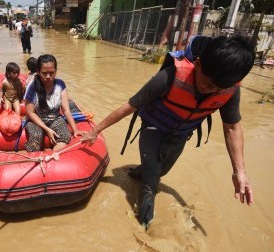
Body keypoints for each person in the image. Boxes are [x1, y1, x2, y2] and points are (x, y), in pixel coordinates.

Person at [81, 35, 255, 229]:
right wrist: (95, 130)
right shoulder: (169, 76)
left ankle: (139, 172)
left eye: (217, 88)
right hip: (153, 128)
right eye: (207, 84)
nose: (210, 91)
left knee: (161, 170)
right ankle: (146, 229)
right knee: (151, 183)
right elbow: (129, 106)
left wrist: (239, 172)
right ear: (197, 64)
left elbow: (232, 127)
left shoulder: (228, 90)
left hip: (180, 134)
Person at [24, 54, 84, 152]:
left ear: (56, 71)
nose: (48, 76)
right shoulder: (32, 87)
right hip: (35, 120)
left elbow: (66, 109)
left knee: (65, 136)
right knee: (36, 137)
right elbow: (30, 113)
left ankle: (53, 156)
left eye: (51, 73)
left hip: (55, 119)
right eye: (44, 73)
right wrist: (47, 130)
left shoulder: (60, 85)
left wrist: (75, 129)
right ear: (38, 71)